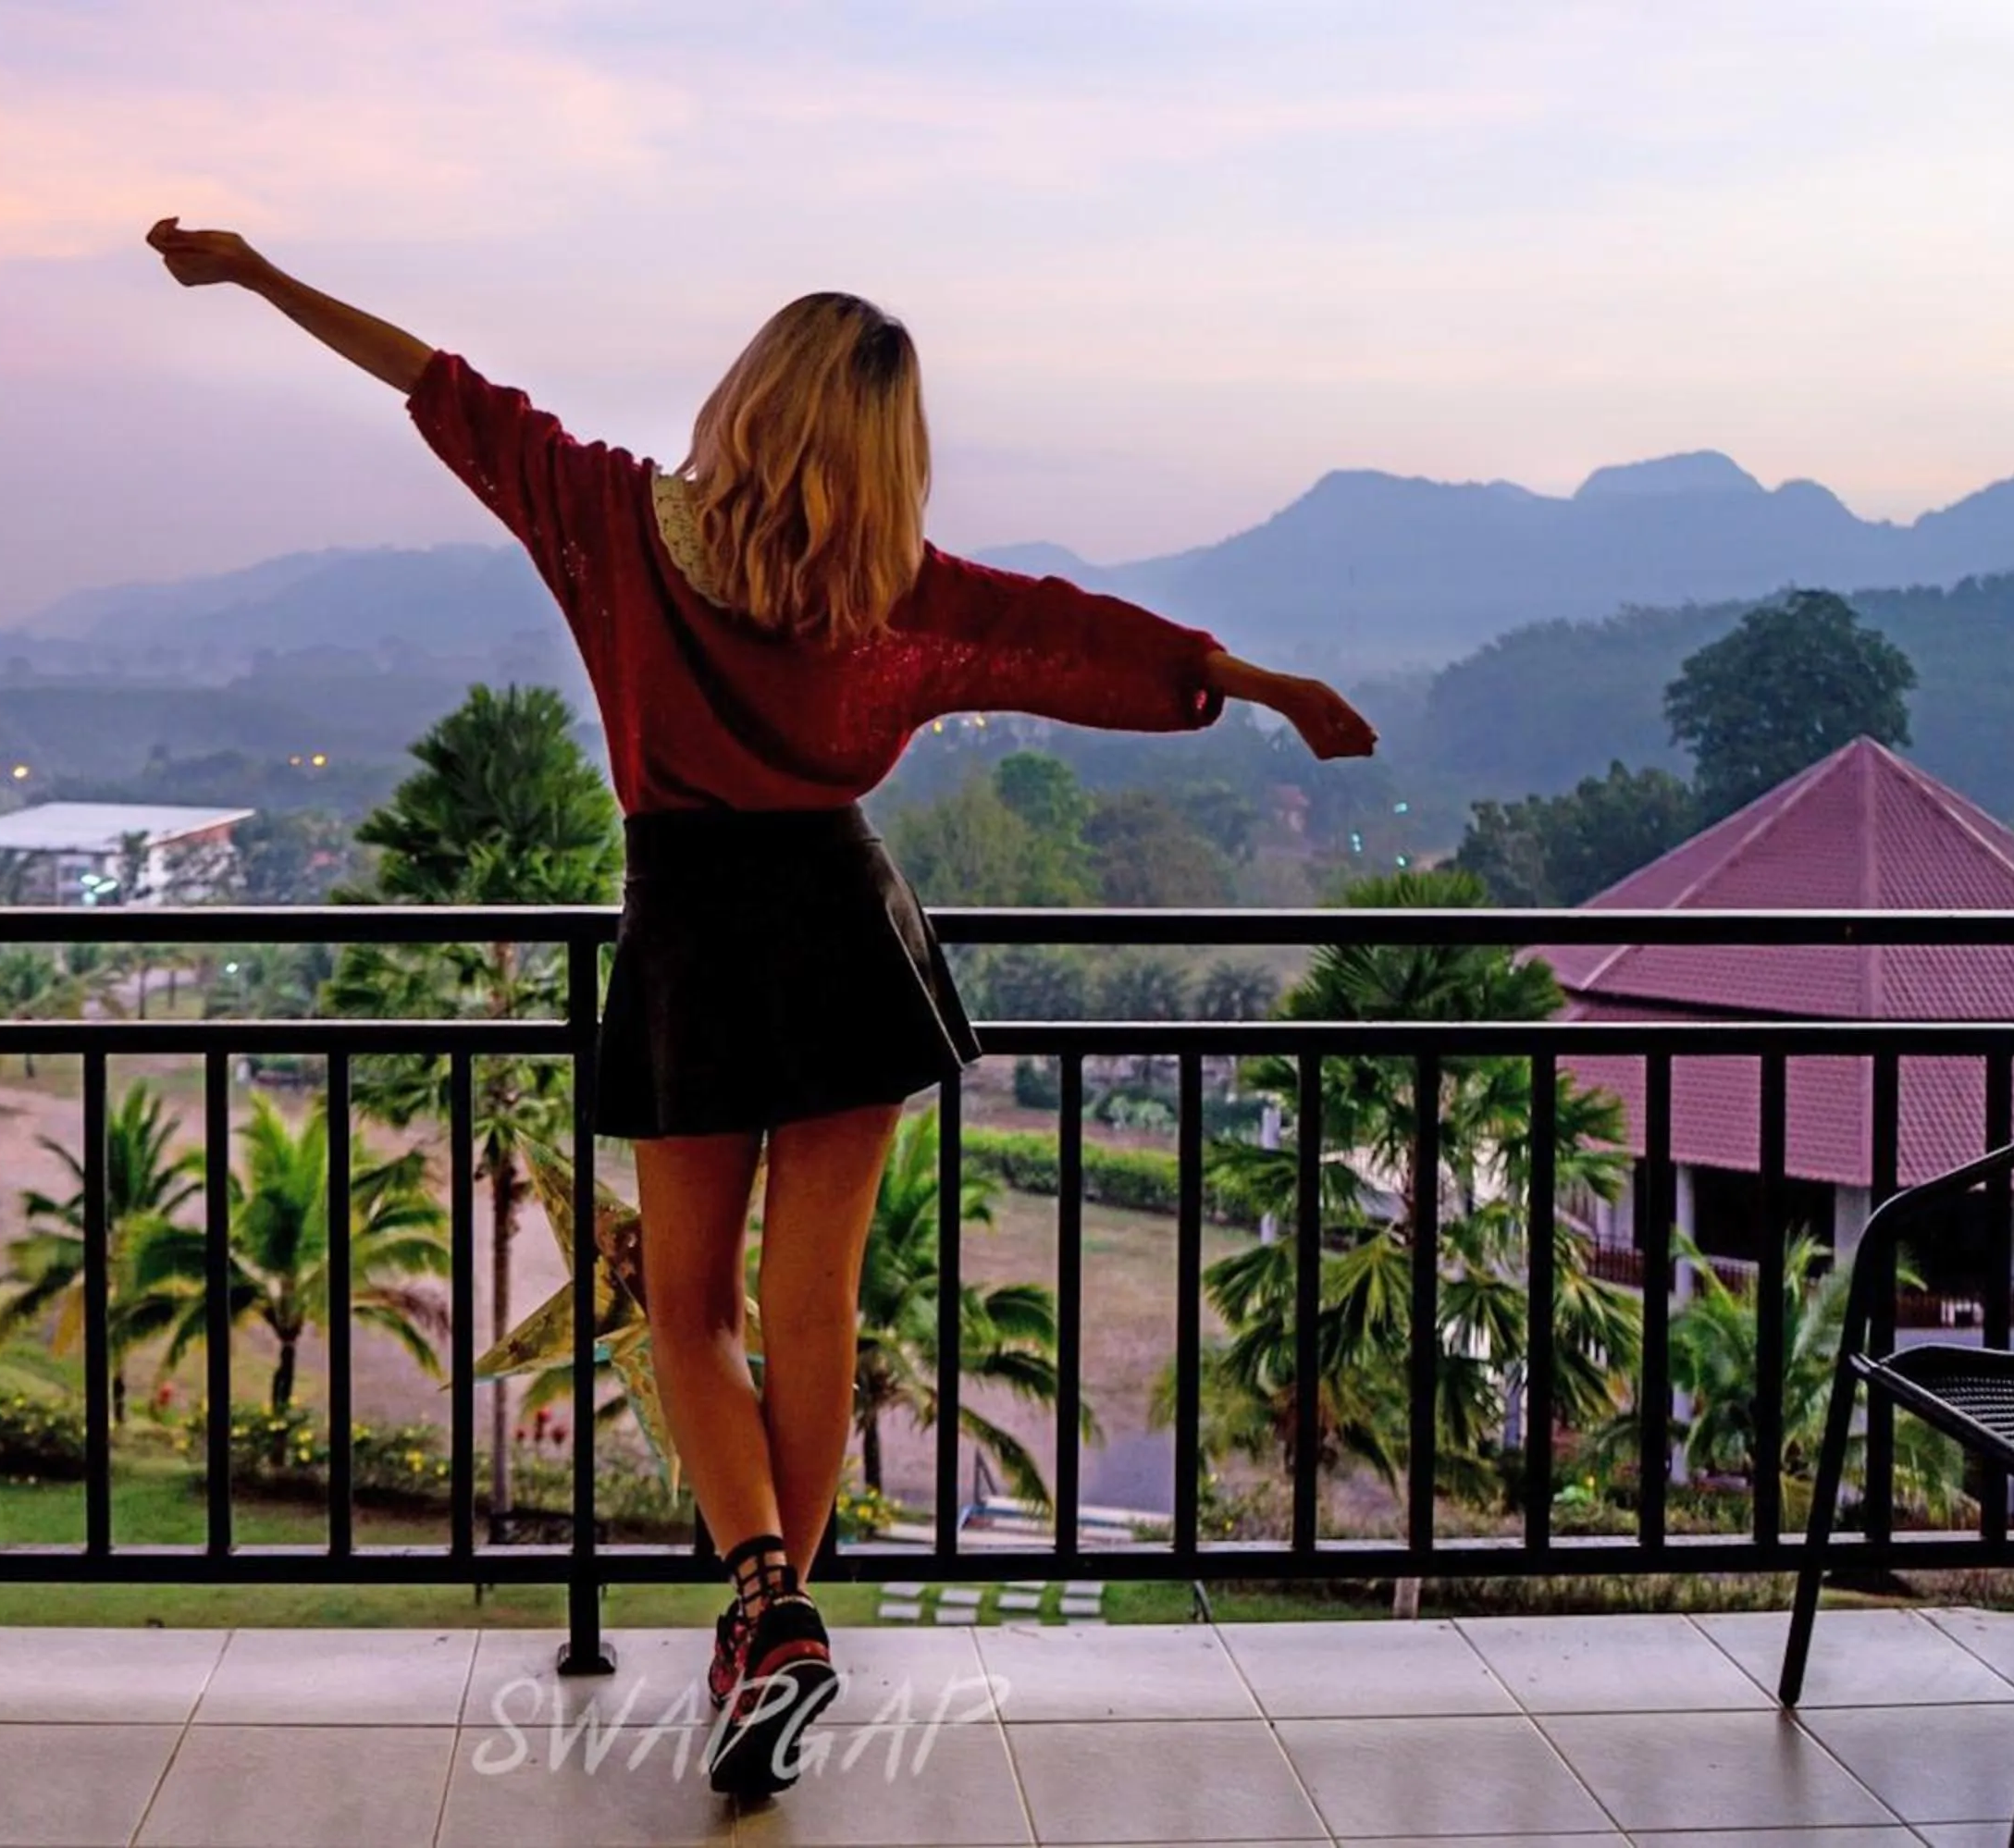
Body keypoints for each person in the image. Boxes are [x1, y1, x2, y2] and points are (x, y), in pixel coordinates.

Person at [147, 217, 1377, 1796]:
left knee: (687, 1311)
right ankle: (769, 1633)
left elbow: (441, 385)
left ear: (747, 397)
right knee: (811, 1319)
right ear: (885, 449)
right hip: (847, 935)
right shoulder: (902, 595)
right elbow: (1082, 636)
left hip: (695, 938)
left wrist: (254, 275)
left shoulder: (607, 517)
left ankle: (765, 1608)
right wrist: (1263, 687)